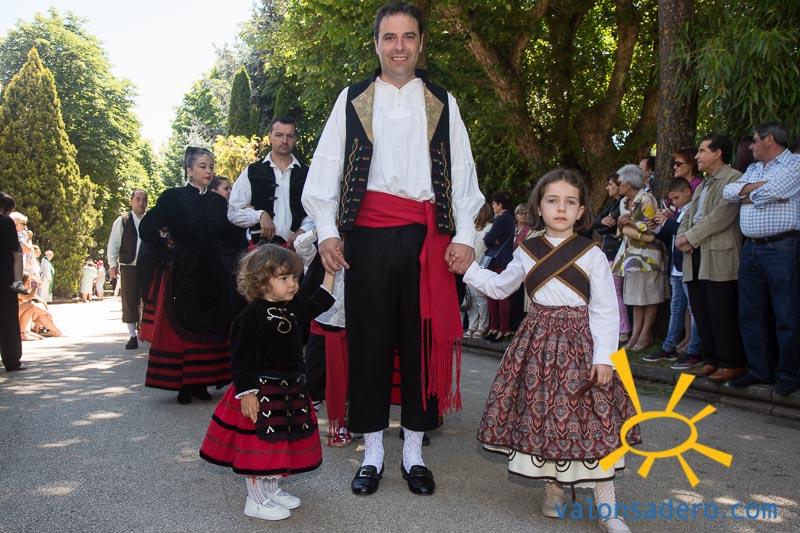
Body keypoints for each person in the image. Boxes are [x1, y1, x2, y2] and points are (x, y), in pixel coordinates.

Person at [302, 1, 484, 496]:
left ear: (421, 44)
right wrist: (327, 229)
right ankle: (373, 453)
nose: (399, 47)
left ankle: (413, 452)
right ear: (376, 44)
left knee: (420, 344)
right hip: (368, 234)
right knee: (369, 343)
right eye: (389, 37)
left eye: (408, 37)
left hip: (427, 237)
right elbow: (326, 167)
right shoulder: (353, 98)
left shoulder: (442, 101)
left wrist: (464, 235)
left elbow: (463, 172)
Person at [459, 169, 639, 533]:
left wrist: (604, 357)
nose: (561, 208)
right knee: (542, 415)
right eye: (552, 201)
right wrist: (469, 270)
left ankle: (607, 506)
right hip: (537, 345)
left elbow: (605, 309)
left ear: (581, 210)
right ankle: (553, 489)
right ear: (539, 207)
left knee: (593, 421)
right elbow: (500, 287)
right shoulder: (527, 251)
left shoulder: (591, 254)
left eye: (570, 202)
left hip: (581, 346)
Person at [199, 245, 335, 521]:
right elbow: (242, 359)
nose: (292, 284)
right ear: (261, 280)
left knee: (281, 442)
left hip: (290, 388)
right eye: (284, 278)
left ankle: (271, 490)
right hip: (262, 392)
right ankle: (255, 499)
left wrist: (330, 270)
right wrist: (247, 393)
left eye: (294, 277)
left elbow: (319, 302)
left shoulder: (292, 307)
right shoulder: (250, 316)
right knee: (261, 446)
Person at [139, 147, 237, 404]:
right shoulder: (173, 197)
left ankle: (201, 382)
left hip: (213, 269)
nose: (208, 171)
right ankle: (183, 384)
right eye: (203, 166)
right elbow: (147, 228)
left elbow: (228, 235)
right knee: (183, 322)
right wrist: (168, 252)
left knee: (210, 322)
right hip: (184, 269)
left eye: (211, 167)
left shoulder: (217, 202)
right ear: (189, 169)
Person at [722, 123, 800, 396]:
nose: (751, 147)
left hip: (782, 247)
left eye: (755, 141)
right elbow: (728, 192)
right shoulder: (755, 169)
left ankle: (789, 374)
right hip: (751, 249)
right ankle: (759, 370)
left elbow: (775, 192)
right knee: (750, 312)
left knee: (786, 314)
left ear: (770, 139)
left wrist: (746, 193)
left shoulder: (795, 164)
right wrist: (753, 190)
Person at [677, 133, 746, 382]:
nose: (697, 156)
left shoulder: (734, 178)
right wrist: (681, 236)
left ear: (718, 153)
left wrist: (690, 237)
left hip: (718, 254)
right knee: (701, 308)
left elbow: (721, 216)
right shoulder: (703, 184)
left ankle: (731, 362)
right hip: (694, 253)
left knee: (721, 310)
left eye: (702, 151)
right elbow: (688, 215)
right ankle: (711, 359)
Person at [228, 118, 313, 249]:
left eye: (290, 136)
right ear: (270, 137)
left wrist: (303, 230)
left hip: (299, 250)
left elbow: (317, 210)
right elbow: (234, 211)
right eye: (279, 135)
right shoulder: (253, 171)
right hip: (261, 249)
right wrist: (260, 215)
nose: (284, 141)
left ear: (295, 139)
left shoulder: (307, 173)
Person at [643, 178, 702, 366]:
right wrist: (657, 227)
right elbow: (670, 235)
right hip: (676, 268)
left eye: (676, 198)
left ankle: (694, 350)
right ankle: (669, 347)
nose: (674, 202)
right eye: (672, 199)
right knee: (676, 309)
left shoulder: (694, 209)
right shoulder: (678, 212)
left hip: (689, 266)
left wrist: (667, 221)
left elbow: (687, 232)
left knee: (694, 310)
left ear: (687, 192)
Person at [612, 164, 668, 351]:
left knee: (650, 295)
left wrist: (629, 222)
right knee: (636, 297)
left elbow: (652, 228)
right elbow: (623, 231)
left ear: (629, 183)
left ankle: (645, 335)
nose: (618, 185)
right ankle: (635, 335)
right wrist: (623, 225)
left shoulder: (646, 198)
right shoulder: (625, 202)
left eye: (620, 181)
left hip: (648, 255)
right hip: (631, 255)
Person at [107, 189, 148, 349]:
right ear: (131, 200)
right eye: (138, 199)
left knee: (148, 300)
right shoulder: (122, 220)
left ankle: (146, 332)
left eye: (144, 199)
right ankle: (132, 336)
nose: (141, 202)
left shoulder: (150, 220)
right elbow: (113, 244)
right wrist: (112, 265)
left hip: (147, 267)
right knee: (129, 301)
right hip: (128, 266)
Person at [593, 173, 629, 344]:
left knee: (616, 291)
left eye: (610, 184)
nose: (607, 187)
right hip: (608, 250)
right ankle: (616, 327)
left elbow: (612, 225)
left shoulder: (623, 203)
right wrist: (602, 222)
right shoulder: (610, 204)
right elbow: (597, 223)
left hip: (617, 250)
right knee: (610, 291)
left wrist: (605, 223)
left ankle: (623, 330)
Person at [482, 191, 515, 341]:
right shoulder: (509, 219)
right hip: (503, 259)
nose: (493, 206)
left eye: (494, 204)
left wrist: (491, 240)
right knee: (498, 294)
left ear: (500, 205)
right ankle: (499, 328)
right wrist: (492, 240)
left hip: (498, 260)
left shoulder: (501, 219)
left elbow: (487, 239)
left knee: (497, 295)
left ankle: (499, 328)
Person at [1, 191, 26, 371]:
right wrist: (18, 281)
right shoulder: (6, 223)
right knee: (8, 320)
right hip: (4, 278)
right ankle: (11, 360)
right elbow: (17, 254)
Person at [464, 203, 492, 338]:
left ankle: (483, 326)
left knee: (480, 298)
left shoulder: (490, 227)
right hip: (469, 266)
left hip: (482, 266)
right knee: (471, 299)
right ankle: (472, 325)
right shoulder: (472, 227)